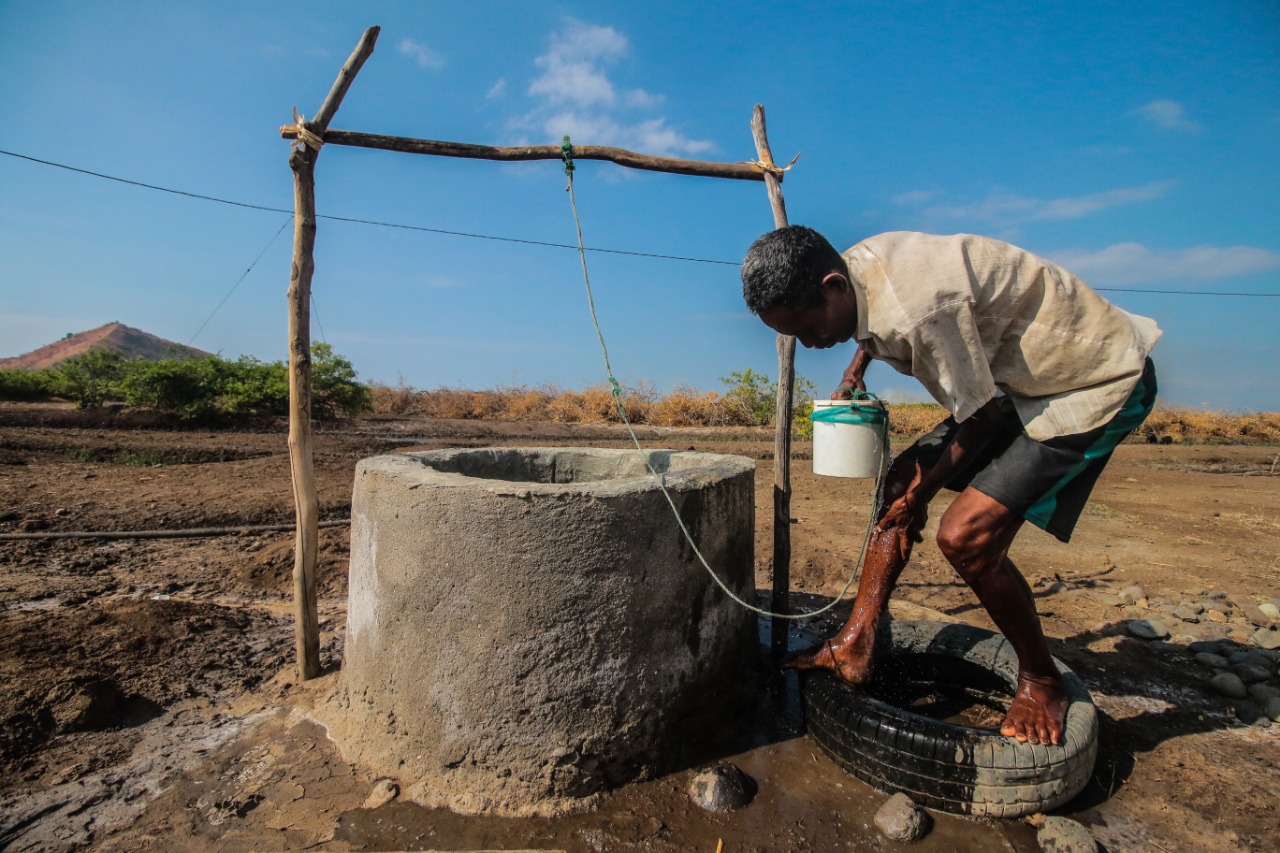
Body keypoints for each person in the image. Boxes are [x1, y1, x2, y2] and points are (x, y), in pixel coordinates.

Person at [741, 227, 1160, 746]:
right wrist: (856, 365)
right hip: (1011, 381)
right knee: (899, 479)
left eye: (808, 327)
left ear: (832, 286)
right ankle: (856, 640)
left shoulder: (921, 311)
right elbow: (872, 325)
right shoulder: (853, 268)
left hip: (1087, 376)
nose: (809, 343)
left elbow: (979, 419)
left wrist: (922, 492)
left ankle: (1042, 679)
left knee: (966, 537)